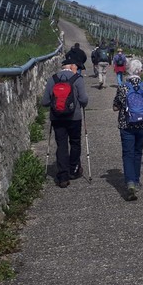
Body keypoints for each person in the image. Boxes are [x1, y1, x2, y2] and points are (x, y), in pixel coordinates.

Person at [112, 58, 143, 201]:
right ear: (140, 71)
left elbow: (115, 107)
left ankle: (130, 182)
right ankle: (137, 180)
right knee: (138, 152)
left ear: (128, 70)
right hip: (142, 125)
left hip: (126, 124)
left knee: (128, 154)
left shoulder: (123, 87)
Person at [41, 53, 89, 188]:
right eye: (76, 67)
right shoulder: (77, 79)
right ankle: (74, 170)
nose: (77, 69)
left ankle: (63, 176)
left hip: (57, 117)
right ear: (72, 66)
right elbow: (84, 99)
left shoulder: (53, 79)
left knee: (61, 144)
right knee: (75, 142)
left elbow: (44, 102)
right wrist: (81, 105)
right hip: (74, 117)